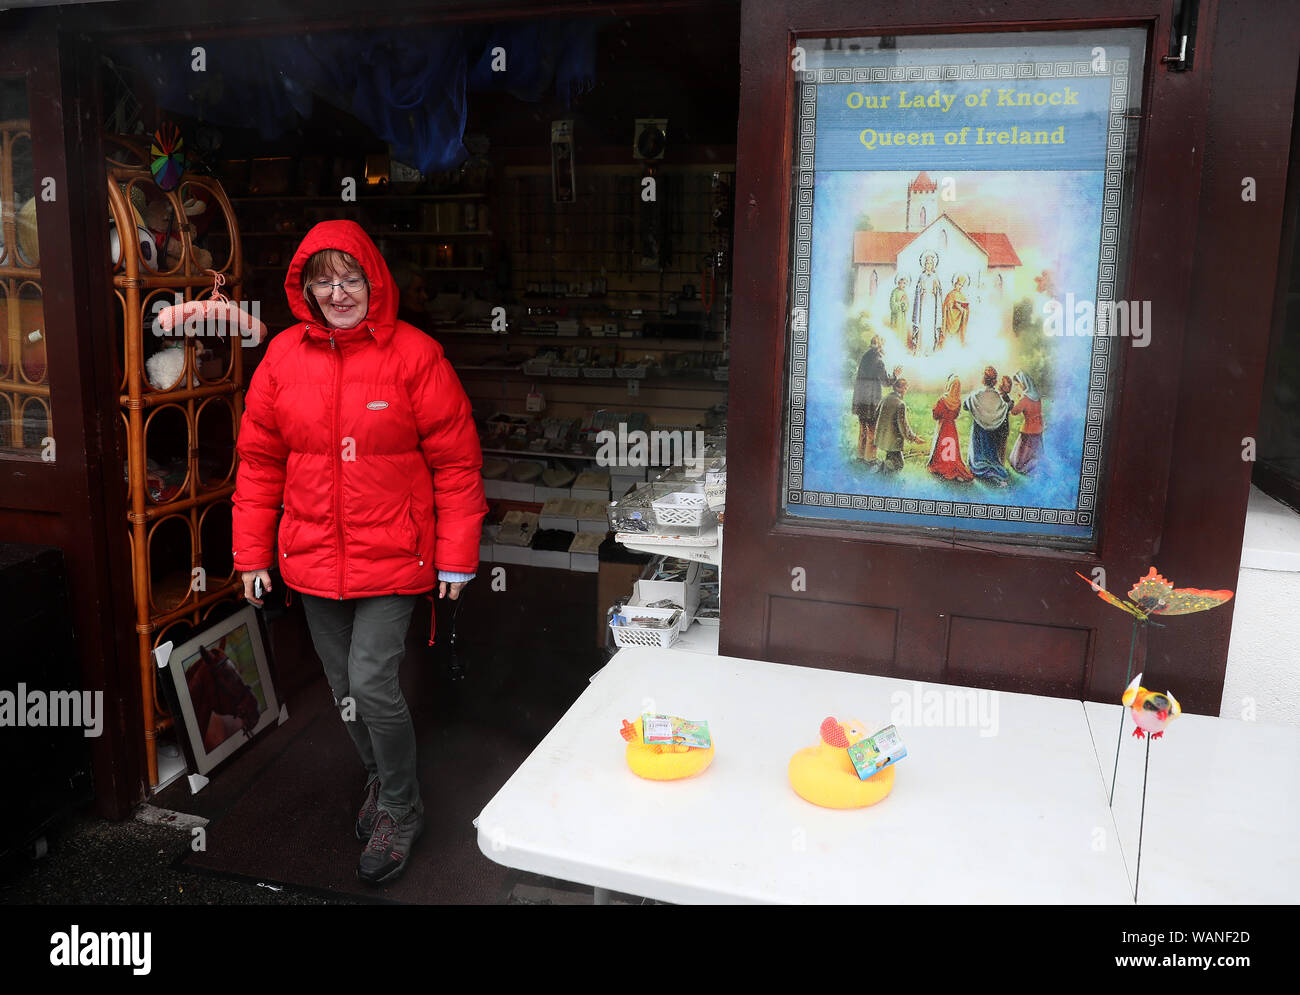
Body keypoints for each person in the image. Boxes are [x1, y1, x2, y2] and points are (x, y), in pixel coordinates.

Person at [231, 219, 487, 884]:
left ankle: (401, 806)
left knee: (372, 682)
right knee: (343, 687)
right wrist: (252, 555)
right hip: (312, 557)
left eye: (350, 278)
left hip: (393, 557)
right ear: (306, 288)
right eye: (324, 279)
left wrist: (457, 555)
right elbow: (258, 463)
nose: (338, 291)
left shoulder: (415, 355)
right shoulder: (283, 357)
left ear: (373, 280)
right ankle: (379, 776)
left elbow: (456, 464)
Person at [852, 335, 902, 462]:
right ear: (880, 346)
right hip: (871, 401)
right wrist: (895, 375)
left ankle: (860, 456)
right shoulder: (879, 361)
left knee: (863, 429)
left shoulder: (865, 356)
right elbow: (886, 382)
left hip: (860, 399)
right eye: (883, 344)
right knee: (872, 432)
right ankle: (870, 459)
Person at [963, 365, 1011, 485]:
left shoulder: (976, 395)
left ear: (983, 379)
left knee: (978, 454)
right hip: (992, 433)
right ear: (994, 381)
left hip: (979, 431)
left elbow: (965, 405)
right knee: (991, 455)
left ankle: (979, 468)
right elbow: (1005, 408)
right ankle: (993, 469)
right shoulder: (998, 398)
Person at [926, 374, 974, 481]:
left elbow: (935, 414)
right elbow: (956, 415)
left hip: (943, 426)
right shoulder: (958, 401)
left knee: (941, 445)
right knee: (952, 448)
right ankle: (952, 467)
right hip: (952, 427)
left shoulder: (943, 399)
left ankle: (942, 466)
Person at [873, 378, 924, 473]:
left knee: (890, 459)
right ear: (901, 389)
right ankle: (885, 477)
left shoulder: (885, 398)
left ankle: (882, 472)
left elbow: (875, 415)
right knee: (899, 464)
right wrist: (914, 438)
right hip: (893, 441)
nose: (906, 390)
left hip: (882, 439)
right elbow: (903, 426)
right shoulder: (901, 404)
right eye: (905, 388)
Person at [1009, 370, 1045, 474]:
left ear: (1023, 384)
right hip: (1038, 428)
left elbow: (1014, 411)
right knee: (1035, 452)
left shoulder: (1025, 399)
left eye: (1018, 385)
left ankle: (1031, 466)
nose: (1017, 387)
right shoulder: (1037, 396)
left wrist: (1014, 401)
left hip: (1028, 430)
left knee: (1017, 462)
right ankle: (1037, 464)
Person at [910, 252, 942, 355]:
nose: (929, 265)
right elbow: (917, 291)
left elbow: (939, 292)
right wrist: (920, 289)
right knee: (923, 322)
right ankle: (921, 348)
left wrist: (936, 289)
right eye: (927, 263)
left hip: (932, 302)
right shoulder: (922, 276)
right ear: (924, 264)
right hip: (923, 302)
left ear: (933, 265)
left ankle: (930, 348)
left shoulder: (935, 276)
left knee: (930, 323)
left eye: (931, 263)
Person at [390, 257, 431, 329]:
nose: (425, 296)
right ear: (401, 293)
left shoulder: (423, 318)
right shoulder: (394, 325)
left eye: (425, 290)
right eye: (418, 290)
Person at [941, 274, 970, 348]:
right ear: (955, 284)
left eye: (961, 285)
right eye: (959, 284)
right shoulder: (950, 294)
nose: (960, 287)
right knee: (948, 342)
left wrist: (964, 309)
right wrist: (955, 305)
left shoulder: (962, 296)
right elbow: (946, 306)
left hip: (959, 320)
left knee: (956, 343)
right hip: (950, 319)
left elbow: (966, 308)